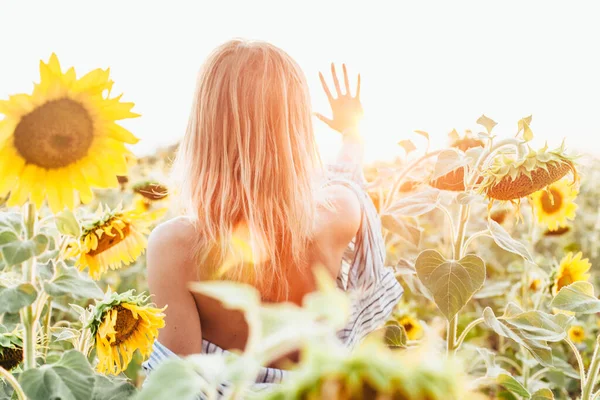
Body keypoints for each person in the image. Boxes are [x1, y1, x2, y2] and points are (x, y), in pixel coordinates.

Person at [143, 39, 403, 392]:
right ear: (296, 127)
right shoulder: (337, 211)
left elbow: (183, 389)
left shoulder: (176, 246)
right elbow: (345, 174)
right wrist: (352, 131)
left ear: (204, 125)